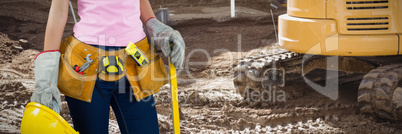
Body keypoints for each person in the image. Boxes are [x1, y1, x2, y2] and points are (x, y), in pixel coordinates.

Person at [30, 0, 185, 133]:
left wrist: (156, 26)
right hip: (86, 66)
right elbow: (58, 11)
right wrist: (46, 73)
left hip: (134, 62)